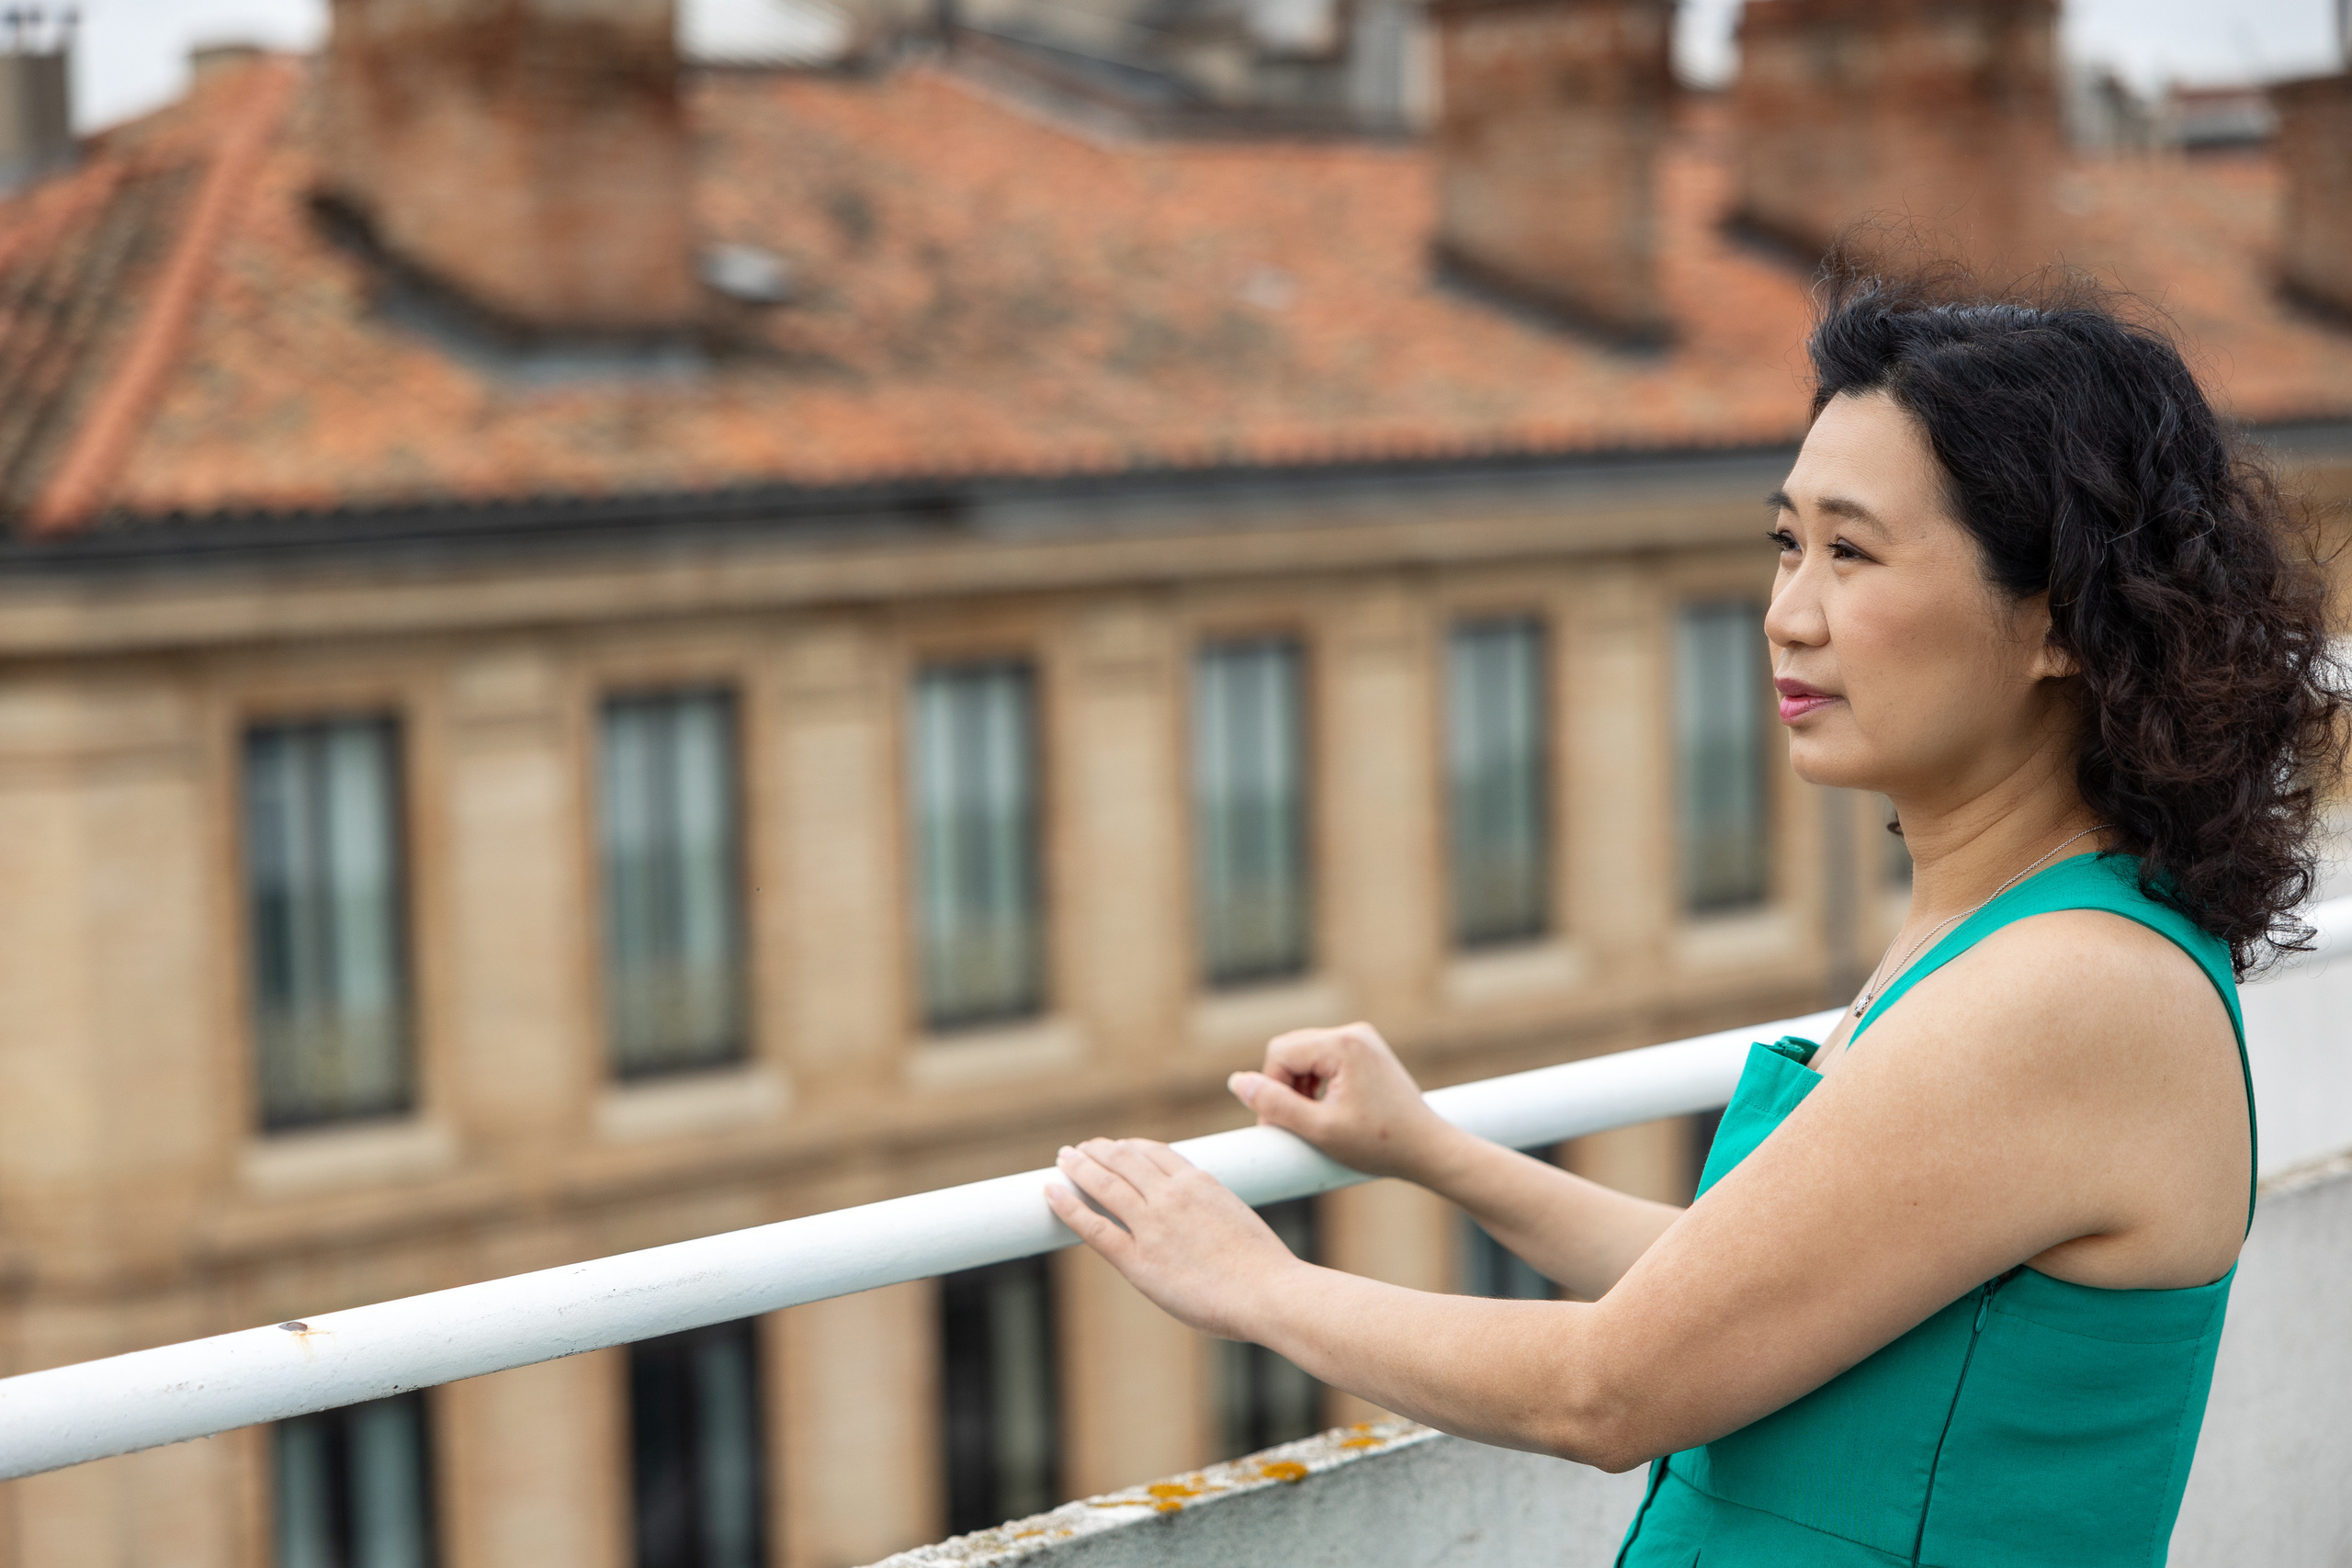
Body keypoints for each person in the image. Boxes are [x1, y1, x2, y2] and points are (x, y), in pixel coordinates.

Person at [1043, 269, 2347, 1566]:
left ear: (2060, 617)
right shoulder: (2009, 941)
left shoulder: (2070, 989)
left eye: (1852, 551)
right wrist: (1432, 1151)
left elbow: (1608, 1390)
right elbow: (1745, 1292)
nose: (1787, 615)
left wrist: (1255, 1287)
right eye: (1787, 544)